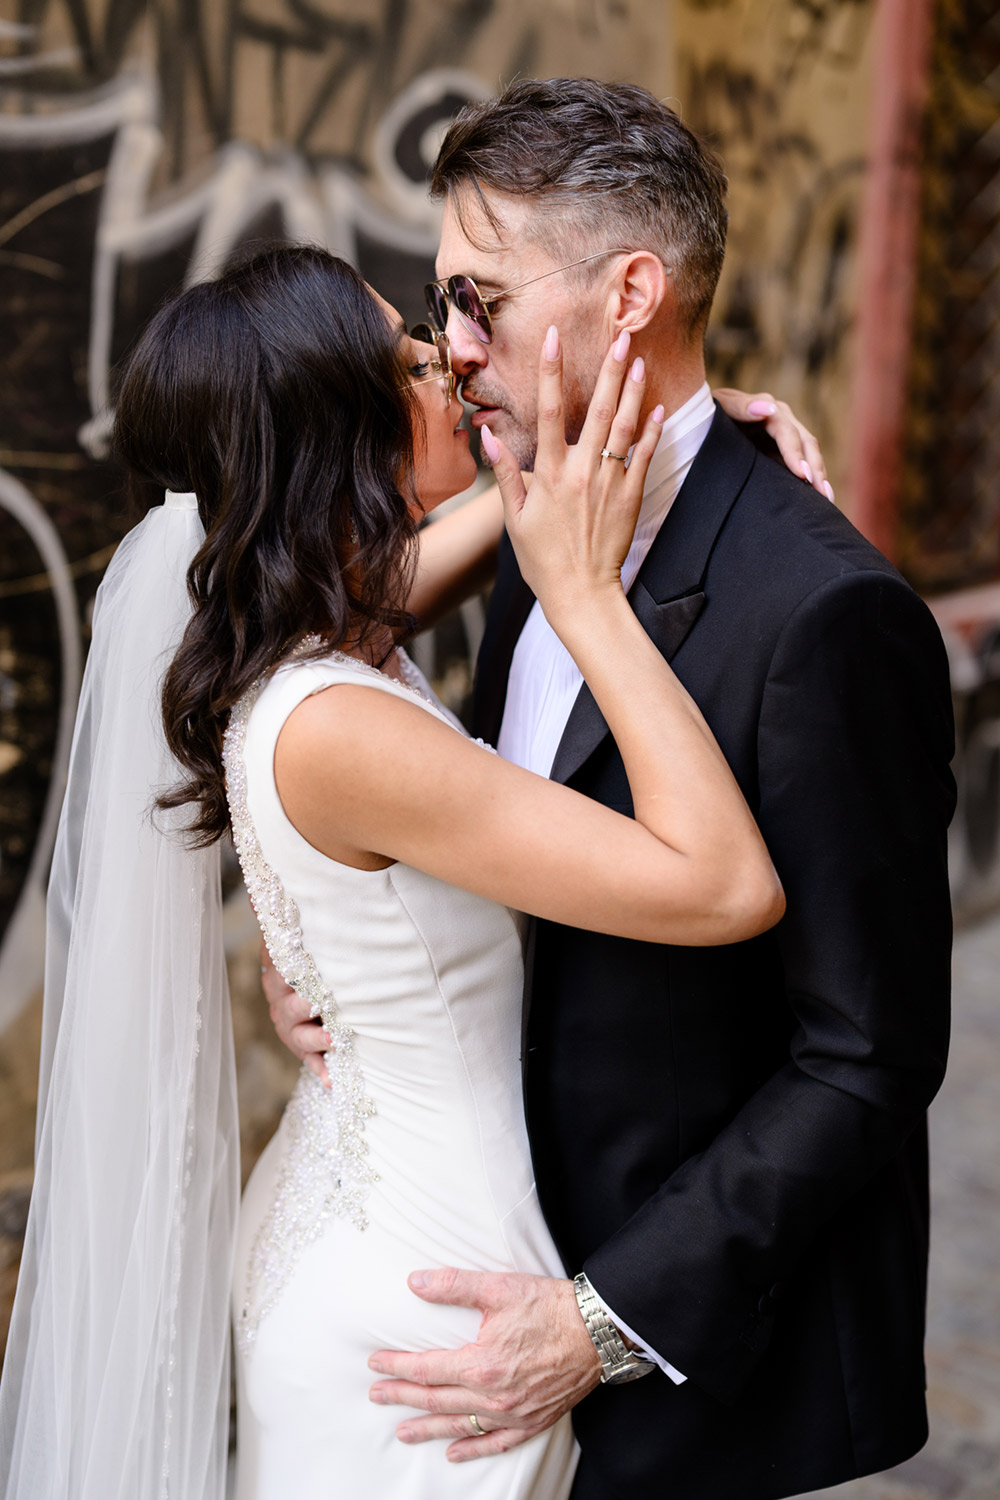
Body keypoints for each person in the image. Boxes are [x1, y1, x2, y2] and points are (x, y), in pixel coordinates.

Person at [0, 243, 797, 1500]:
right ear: (342, 437)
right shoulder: (342, 729)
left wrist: (675, 432)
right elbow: (723, 889)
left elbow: (491, 526)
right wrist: (586, 599)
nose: (454, 366)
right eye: (413, 361)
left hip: (356, 1218)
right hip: (427, 1303)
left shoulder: (321, 625)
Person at [265, 80, 957, 1500]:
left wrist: (601, 1325)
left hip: (695, 1363)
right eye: (437, 302)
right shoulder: (535, 519)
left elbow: (868, 1058)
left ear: (631, 292)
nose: (448, 353)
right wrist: (331, 954)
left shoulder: (828, 617)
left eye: (478, 302)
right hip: (480, 1284)